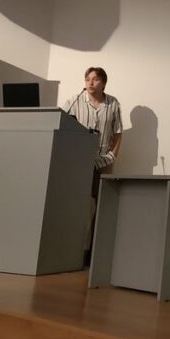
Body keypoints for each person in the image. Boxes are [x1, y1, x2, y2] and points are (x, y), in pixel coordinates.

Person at [62, 67, 123, 263]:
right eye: (87, 79)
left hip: (103, 161)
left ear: (103, 83)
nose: (90, 83)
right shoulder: (74, 101)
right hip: (79, 160)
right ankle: (74, 250)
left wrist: (112, 156)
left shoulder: (113, 104)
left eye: (95, 79)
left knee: (101, 207)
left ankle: (94, 253)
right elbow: (60, 122)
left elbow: (118, 133)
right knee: (78, 205)